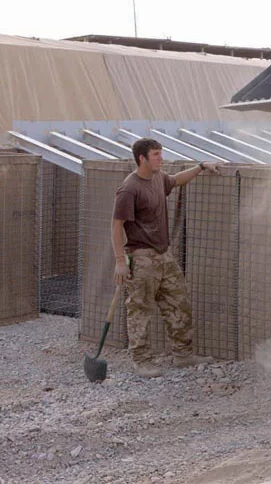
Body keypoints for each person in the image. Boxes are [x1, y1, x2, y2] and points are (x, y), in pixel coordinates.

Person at [111, 137, 221, 378]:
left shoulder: (159, 178)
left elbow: (176, 180)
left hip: (163, 256)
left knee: (178, 303)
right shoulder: (129, 188)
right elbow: (116, 225)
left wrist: (201, 167)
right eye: (156, 154)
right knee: (140, 310)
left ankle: (183, 354)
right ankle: (142, 361)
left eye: (161, 153)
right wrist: (121, 261)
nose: (161, 158)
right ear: (142, 158)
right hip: (141, 259)